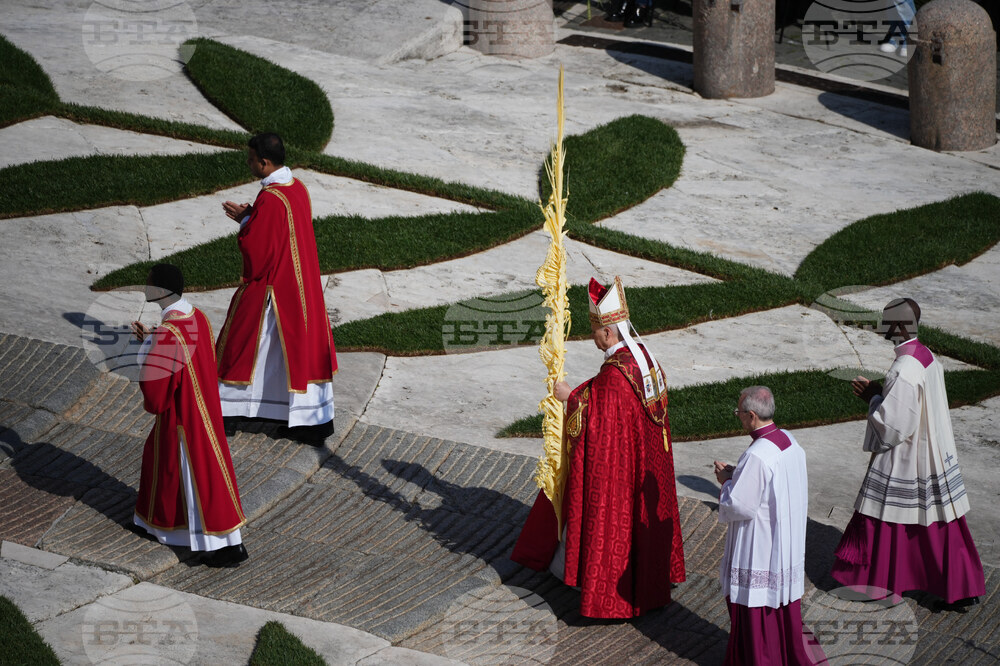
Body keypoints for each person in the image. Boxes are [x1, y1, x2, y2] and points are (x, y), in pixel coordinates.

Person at [511, 276, 685, 619]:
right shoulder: (644, 359)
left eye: (594, 329)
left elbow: (599, 418)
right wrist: (587, 391)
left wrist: (571, 397)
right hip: (650, 463)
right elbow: (614, 401)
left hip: (622, 471)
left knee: (614, 519)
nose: (592, 335)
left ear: (608, 333)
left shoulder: (616, 375)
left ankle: (611, 593)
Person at [832, 298, 984, 608]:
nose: (882, 327)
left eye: (886, 322)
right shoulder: (926, 355)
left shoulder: (904, 368)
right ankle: (959, 586)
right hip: (933, 451)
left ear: (900, 326)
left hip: (906, 457)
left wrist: (874, 398)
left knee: (886, 520)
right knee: (938, 523)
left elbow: (894, 426)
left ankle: (878, 584)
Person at [216, 133, 337, 444]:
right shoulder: (297, 188)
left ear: (264, 162)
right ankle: (311, 423)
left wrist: (245, 224)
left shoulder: (271, 198)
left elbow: (259, 253)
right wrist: (252, 216)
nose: (248, 163)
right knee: (295, 354)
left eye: (251, 159)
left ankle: (227, 412)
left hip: (276, 290)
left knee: (241, 343)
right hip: (302, 289)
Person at [131, 263, 248, 567]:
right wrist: (152, 342)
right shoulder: (198, 317)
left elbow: (157, 396)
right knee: (195, 475)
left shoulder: (168, 334)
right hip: (206, 412)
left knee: (187, 477)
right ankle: (159, 526)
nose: (145, 287)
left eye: (149, 283)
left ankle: (214, 545)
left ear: (159, 291)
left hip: (182, 419)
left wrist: (146, 350)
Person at [714, 386, 825, 664]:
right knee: (784, 614)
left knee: (758, 613)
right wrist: (737, 474)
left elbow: (739, 505)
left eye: (739, 413)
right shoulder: (787, 439)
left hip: (760, 547)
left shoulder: (757, 455)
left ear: (752, 415)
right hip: (784, 542)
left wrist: (726, 481)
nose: (737, 417)